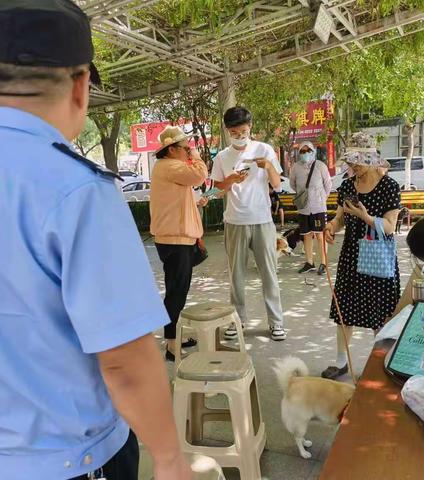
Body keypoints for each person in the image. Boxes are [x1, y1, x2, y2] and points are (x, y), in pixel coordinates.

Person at [0, 2, 191, 479]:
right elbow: (125, 359)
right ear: (81, 86)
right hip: (66, 457)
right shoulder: (76, 188)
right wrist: (169, 459)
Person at [321, 133, 401, 379]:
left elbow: (389, 226)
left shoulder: (390, 187)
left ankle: (384, 363)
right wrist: (332, 226)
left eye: (359, 160)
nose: (353, 165)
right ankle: (341, 361)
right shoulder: (347, 184)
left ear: (372, 158)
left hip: (377, 258)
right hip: (351, 257)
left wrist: (366, 217)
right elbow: (341, 215)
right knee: (344, 311)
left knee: (380, 313)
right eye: (351, 160)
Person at [211, 106, 286, 341]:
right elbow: (216, 191)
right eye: (234, 131)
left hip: (262, 221)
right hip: (235, 221)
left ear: (250, 127)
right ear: (227, 131)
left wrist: (269, 166)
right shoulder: (222, 157)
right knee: (236, 276)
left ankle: (276, 322)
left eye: (243, 130)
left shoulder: (264, 150)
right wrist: (230, 180)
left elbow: (278, 186)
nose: (239, 135)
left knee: (269, 274)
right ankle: (238, 321)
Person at [150, 126, 208, 361]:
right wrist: (196, 158)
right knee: (176, 292)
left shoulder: (166, 168)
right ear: (171, 150)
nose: (189, 152)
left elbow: (180, 196)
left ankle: (175, 336)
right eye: (185, 148)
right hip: (175, 239)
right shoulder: (171, 166)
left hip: (173, 237)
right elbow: (199, 176)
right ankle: (172, 345)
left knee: (177, 290)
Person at [290, 141, 333, 275]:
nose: (305, 153)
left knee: (320, 236)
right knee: (306, 236)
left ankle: (323, 263)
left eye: (308, 150)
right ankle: (309, 263)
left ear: (313, 151)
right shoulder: (295, 167)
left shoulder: (320, 166)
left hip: (318, 208)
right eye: (302, 151)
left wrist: (321, 198)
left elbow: (328, 185)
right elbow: (292, 184)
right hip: (303, 208)